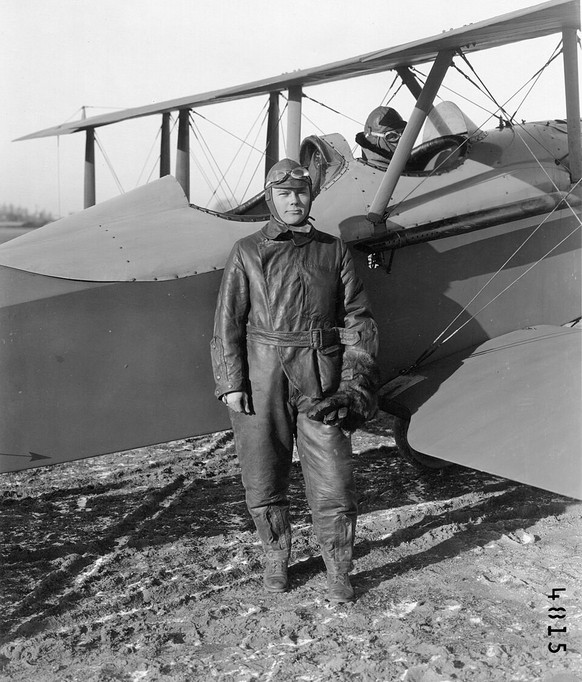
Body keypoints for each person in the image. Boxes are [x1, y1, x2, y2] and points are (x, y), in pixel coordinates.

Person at [210, 158, 378, 603]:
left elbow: (359, 322)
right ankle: (275, 556)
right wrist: (232, 382)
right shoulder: (246, 251)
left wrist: (352, 386)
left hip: (320, 379)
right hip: (263, 375)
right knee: (262, 473)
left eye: (301, 193)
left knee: (334, 479)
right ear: (271, 199)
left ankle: (339, 566)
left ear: (311, 196)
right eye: (284, 194)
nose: (294, 201)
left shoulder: (333, 250)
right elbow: (228, 321)